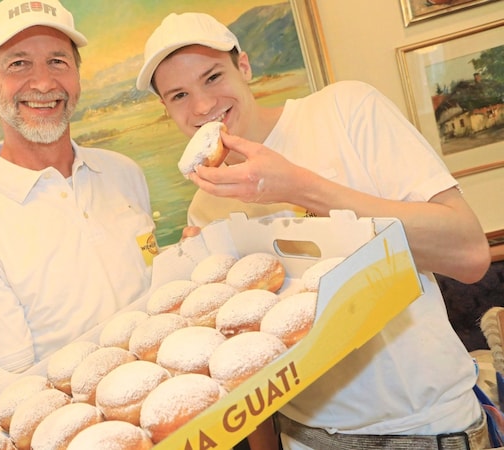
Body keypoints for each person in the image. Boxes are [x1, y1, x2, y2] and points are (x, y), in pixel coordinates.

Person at [136, 11, 492, 450]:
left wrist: (298, 185)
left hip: (424, 427)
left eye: (213, 77)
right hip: (303, 437)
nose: (203, 106)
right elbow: (247, 368)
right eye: (179, 95)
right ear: (165, 108)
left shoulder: (345, 110)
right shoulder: (205, 206)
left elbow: (471, 254)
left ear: (244, 67)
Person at [0, 0, 157, 374]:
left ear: (77, 76)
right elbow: (11, 378)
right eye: (18, 64)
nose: (43, 82)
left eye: (58, 61)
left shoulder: (123, 173)